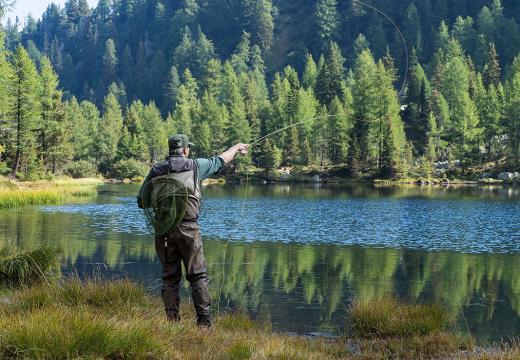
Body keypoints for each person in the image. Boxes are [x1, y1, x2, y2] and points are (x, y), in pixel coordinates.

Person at [137, 134, 248, 327]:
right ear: (186, 150)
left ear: (170, 149)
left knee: (170, 278)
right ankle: (204, 324)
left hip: (163, 232)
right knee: (197, 275)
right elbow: (221, 160)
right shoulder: (196, 166)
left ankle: (173, 323)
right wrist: (237, 147)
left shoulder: (155, 171)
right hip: (189, 229)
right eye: (189, 149)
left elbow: (142, 201)